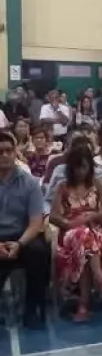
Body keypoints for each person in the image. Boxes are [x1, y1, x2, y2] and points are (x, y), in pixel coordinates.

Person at [49, 144, 102, 322]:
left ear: (90, 167)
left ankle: (83, 305)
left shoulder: (96, 185)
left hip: (94, 231)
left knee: (86, 241)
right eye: (77, 167)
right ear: (71, 168)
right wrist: (70, 223)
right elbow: (54, 217)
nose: (81, 172)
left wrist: (90, 217)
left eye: (84, 167)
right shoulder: (62, 188)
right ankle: (100, 280)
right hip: (70, 234)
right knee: (82, 235)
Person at [0, 131, 50, 329]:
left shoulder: (30, 183)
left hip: (22, 236)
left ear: (15, 153)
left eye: (8, 151)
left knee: (39, 252)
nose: (4, 155)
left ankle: (31, 310)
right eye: (0, 151)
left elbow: (36, 222)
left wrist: (19, 244)